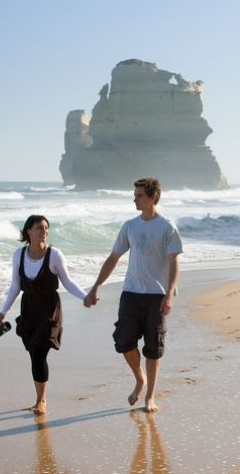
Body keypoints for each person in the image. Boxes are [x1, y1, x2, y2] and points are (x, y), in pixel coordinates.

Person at [84, 177, 182, 413]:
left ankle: (149, 396)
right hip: (130, 292)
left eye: (139, 195)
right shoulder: (130, 226)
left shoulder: (166, 226)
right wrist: (96, 285)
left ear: (152, 197)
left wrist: (169, 294)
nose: (134, 198)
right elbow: (113, 258)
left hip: (155, 295)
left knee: (153, 346)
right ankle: (140, 379)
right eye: (135, 194)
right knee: (123, 341)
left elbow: (174, 262)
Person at [0, 214, 88, 415]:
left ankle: (41, 401)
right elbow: (15, 285)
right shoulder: (18, 255)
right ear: (29, 231)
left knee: (38, 351)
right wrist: (4, 311)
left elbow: (67, 282)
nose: (44, 231)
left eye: (46, 228)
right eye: (39, 227)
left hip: (49, 308)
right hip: (28, 309)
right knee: (33, 353)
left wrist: (85, 297)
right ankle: (40, 398)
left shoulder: (54, 255)